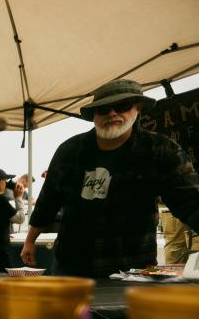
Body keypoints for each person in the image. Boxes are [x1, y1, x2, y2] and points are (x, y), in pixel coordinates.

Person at [22, 79, 199, 277]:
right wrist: (29, 241)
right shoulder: (69, 151)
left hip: (133, 269)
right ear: (94, 115)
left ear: (138, 108)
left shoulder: (161, 150)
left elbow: (190, 202)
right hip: (72, 266)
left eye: (122, 106)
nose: (112, 113)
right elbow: (48, 200)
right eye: (103, 109)